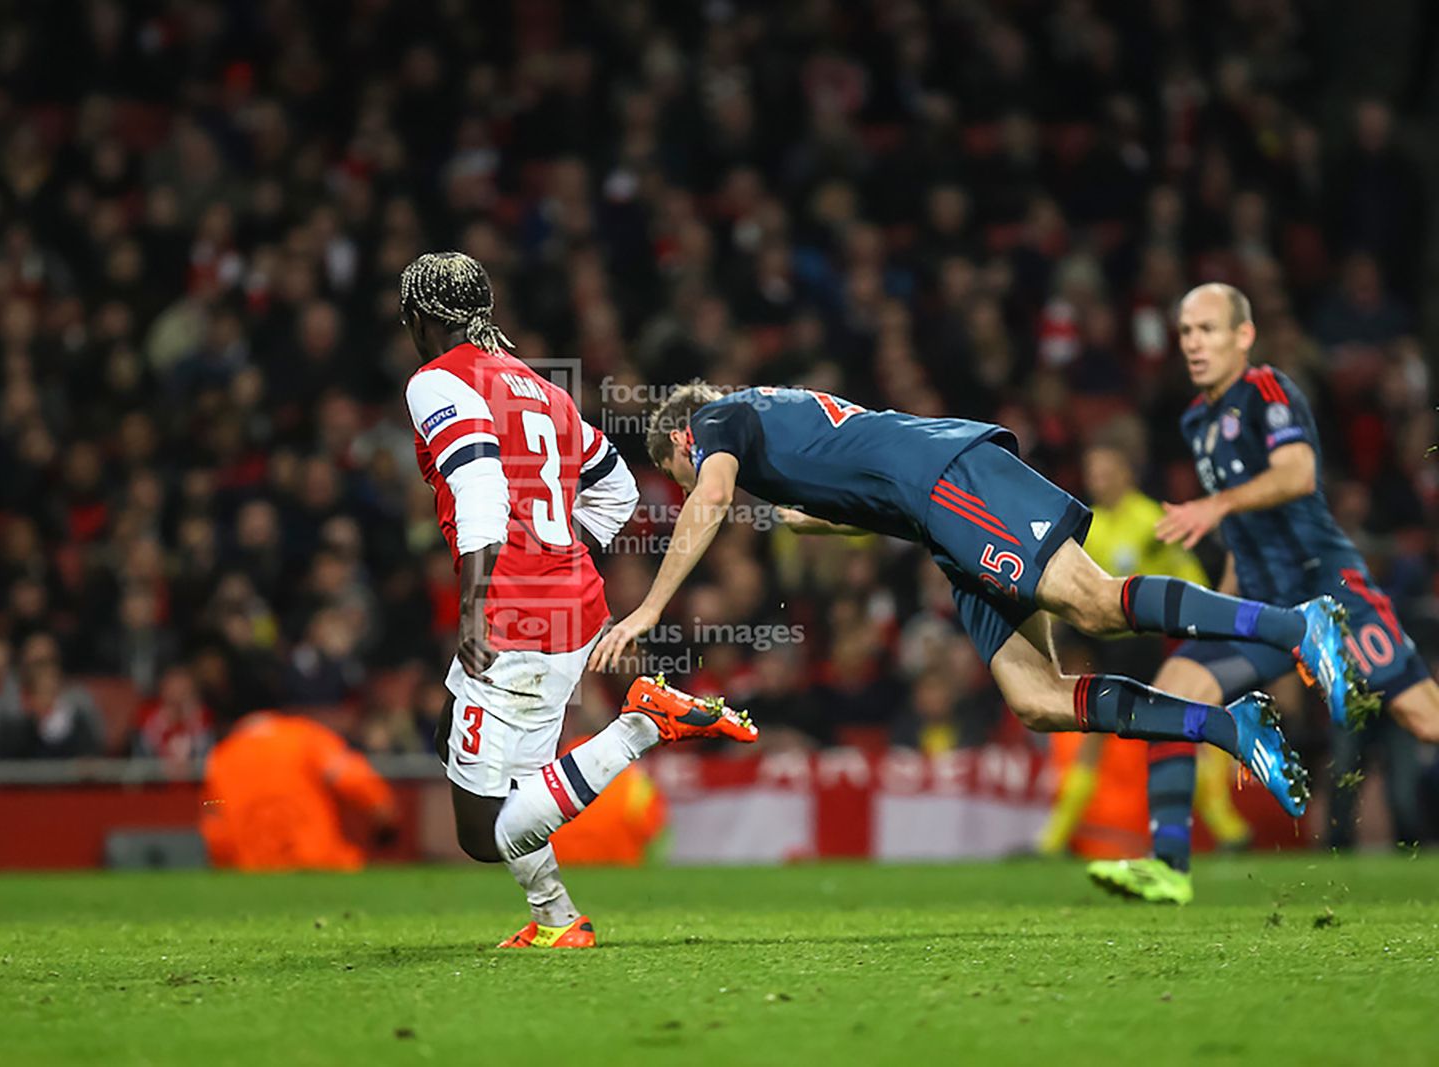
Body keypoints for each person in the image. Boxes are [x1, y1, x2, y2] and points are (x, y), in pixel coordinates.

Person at [591, 373, 1375, 818]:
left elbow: (712, 496)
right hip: (937, 518)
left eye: (678, 472)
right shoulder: (769, 422)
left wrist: (651, 607)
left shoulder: (718, 419)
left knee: (1095, 603)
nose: (687, 485)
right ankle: (1231, 726)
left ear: (683, 441)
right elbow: (855, 481)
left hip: (951, 480)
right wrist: (816, 517)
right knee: (1036, 698)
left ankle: (1297, 625)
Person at [398, 252, 755, 950]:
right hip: (566, 605)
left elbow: (479, 489)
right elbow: (618, 489)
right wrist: (556, 550)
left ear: (422, 319)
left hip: (512, 609)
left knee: (485, 834)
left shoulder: (437, 380)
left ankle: (641, 725)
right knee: (457, 739)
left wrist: (475, 603)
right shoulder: (541, 388)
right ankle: (558, 919)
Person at [1088, 283, 1439, 904]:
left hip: (1330, 594)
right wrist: (1218, 613)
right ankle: (1168, 865)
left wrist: (1216, 505)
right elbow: (1242, 538)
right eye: (1186, 332)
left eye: (1208, 329)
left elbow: (1298, 474)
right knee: (1170, 691)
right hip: (1264, 608)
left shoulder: (1266, 390)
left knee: (1423, 717)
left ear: (1242, 336)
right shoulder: (1197, 422)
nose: (1194, 343)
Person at [1037, 437, 1251, 860]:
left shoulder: (1150, 520)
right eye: (1092, 472)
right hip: (1105, 646)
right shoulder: (1088, 523)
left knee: (1177, 730)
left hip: (1147, 645)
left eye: (1105, 471)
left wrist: (1206, 619)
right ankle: (1054, 841)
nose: (1097, 479)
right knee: (1104, 736)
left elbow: (1186, 574)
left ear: (1126, 473)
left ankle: (1228, 828)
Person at [200, 710, 396, 871]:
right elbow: (351, 776)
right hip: (320, 863)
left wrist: (227, 867)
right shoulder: (303, 736)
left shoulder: (222, 757)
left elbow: (216, 827)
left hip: (258, 872)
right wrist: (381, 806)